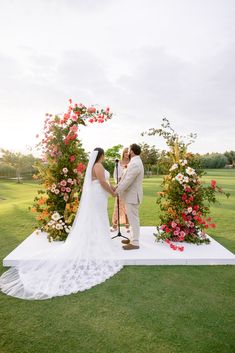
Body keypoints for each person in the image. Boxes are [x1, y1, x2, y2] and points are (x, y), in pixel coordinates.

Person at [0, 148, 123, 300]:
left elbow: (106, 183)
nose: (104, 157)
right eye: (103, 155)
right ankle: (97, 243)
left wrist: (113, 189)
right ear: (101, 155)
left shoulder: (98, 166)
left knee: (98, 219)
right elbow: (103, 182)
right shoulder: (97, 166)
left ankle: (96, 241)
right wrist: (112, 192)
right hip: (98, 196)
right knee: (97, 219)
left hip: (99, 196)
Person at [115, 144, 144, 250]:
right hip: (130, 195)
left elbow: (128, 180)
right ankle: (132, 238)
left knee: (133, 219)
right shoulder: (134, 161)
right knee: (132, 219)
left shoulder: (135, 163)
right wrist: (117, 186)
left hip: (133, 196)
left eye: (129, 150)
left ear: (132, 152)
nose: (127, 152)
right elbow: (125, 178)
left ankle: (135, 242)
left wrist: (117, 191)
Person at [111, 147, 130, 233]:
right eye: (125, 152)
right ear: (123, 153)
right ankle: (114, 225)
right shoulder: (118, 163)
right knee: (117, 206)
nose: (126, 154)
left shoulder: (131, 162)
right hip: (119, 186)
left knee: (127, 206)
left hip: (128, 188)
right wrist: (118, 182)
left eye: (128, 152)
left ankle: (127, 226)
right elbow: (115, 175)